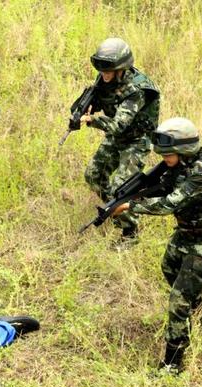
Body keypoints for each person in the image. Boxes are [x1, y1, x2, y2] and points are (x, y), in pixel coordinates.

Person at [111, 118, 202, 374]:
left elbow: (170, 203)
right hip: (186, 232)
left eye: (168, 155)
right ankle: (195, 302)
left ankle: (173, 363)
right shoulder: (182, 164)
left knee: (177, 303)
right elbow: (162, 184)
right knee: (168, 267)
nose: (164, 159)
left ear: (183, 151)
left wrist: (130, 206)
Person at [79, 37, 160, 247]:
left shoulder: (137, 90)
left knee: (121, 188)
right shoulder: (105, 79)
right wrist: (87, 107)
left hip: (136, 141)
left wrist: (92, 120)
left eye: (109, 71)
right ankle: (114, 208)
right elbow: (101, 99)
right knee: (93, 175)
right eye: (102, 70)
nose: (104, 75)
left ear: (121, 69)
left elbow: (118, 125)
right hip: (117, 138)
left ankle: (130, 232)